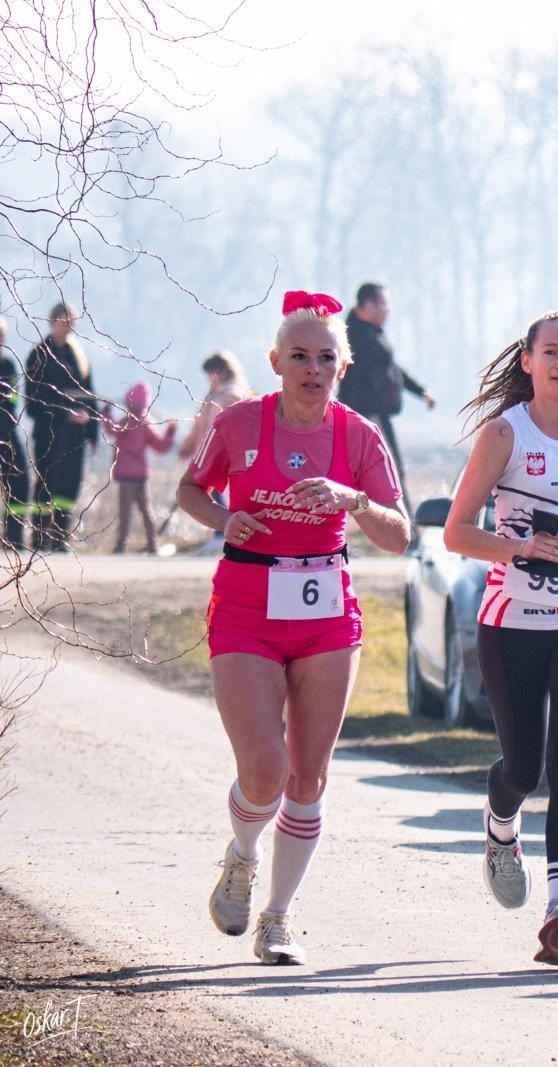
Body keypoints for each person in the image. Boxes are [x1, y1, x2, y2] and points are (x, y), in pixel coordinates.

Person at [176, 290, 410, 965]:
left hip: (326, 614)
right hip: (247, 606)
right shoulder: (240, 424)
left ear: (344, 365)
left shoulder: (358, 435)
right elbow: (191, 492)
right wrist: (225, 520)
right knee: (265, 768)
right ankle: (243, 855)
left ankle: (277, 919)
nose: (313, 368)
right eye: (300, 356)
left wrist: (354, 498)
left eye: (326, 357)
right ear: (276, 362)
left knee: (307, 778)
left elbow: (399, 536)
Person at [443, 309, 558, 968]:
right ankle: (501, 828)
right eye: (549, 352)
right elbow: (457, 531)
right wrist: (520, 544)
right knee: (523, 766)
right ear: (527, 361)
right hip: (512, 622)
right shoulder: (505, 434)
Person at [338, 283, 435, 515]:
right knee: (386, 471)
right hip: (365, 416)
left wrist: (420, 391)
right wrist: (348, 417)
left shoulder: (372, 332)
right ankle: (401, 528)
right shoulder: (352, 335)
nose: (388, 310)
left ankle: (400, 527)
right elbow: (346, 379)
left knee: (388, 472)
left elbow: (392, 368)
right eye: (384, 304)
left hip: (377, 414)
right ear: (368, 305)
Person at [24, 301, 98, 552]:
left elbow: (89, 393)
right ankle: (40, 536)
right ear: (54, 321)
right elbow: (34, 400)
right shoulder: (39, 355)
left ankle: (60, 535)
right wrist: (64, 413)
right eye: (66, 322)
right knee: (46, 483)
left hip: (76, 435)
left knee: (69, 485)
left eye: (73, 323)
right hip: (50, 433)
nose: (70, 328)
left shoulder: (79, 356)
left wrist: (93, 429)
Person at [179, 350, 253, 551]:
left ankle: (223, 532)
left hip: (225, 452)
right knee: (211, 491)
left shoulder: (232, 395)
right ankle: (222, 531)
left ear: (218, 372)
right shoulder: (214, 396)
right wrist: (188, 446)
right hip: (208, 452)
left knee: (217, 491)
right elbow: (199, 426)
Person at [103, 381, 178, 553]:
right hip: (141, 475)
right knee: (147, 511)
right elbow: (161, 447)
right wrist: (170, 432)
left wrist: (107, 411)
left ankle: (121, 545)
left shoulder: (128, 422)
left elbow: (111, 429)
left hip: (125, 475)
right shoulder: (147, 424)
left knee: (125, 512)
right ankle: (153, 544)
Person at [0, 317, 25, 547]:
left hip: (7, 432)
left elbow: (13, 399)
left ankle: (14, 538)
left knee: (20, 481)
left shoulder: (8, 365)